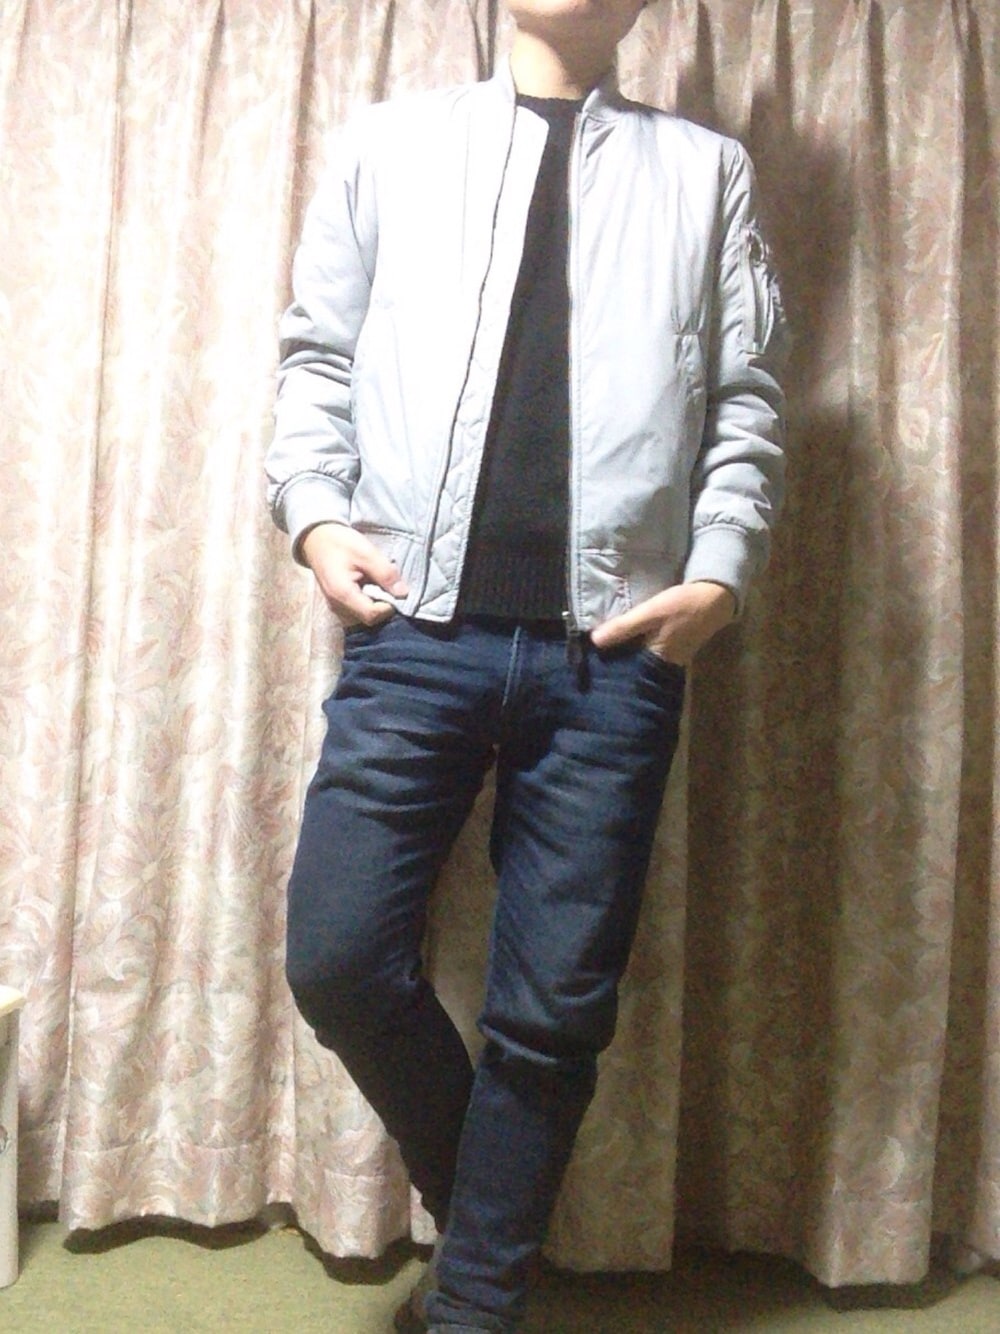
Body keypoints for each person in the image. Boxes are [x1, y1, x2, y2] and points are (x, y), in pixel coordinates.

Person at [266, 2, 788, 1329]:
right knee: (338, 957)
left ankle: (476, 1307)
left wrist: (719, 574)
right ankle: (486, 1224)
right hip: (413, 631)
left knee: (553, 1011)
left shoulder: (705, 172)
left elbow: (746, 398)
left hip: (613, 650)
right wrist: (316, 518)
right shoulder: (390, 146)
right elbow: (315, 359)